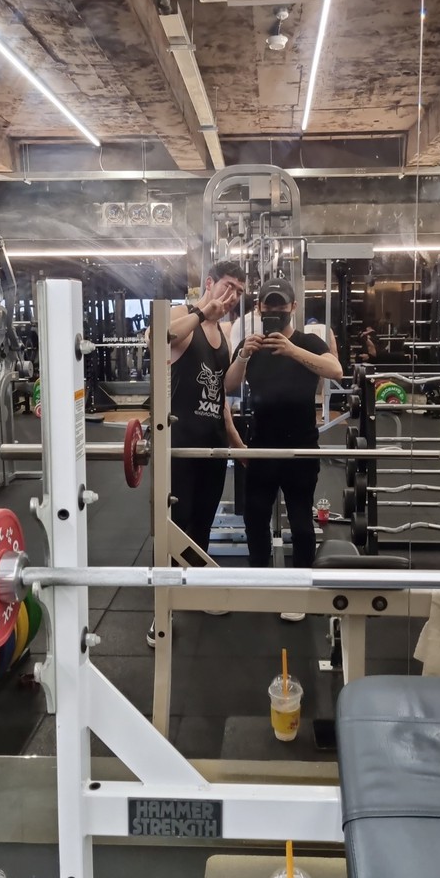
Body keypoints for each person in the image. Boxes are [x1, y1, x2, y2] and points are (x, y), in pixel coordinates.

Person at [225, 278, 343, 621]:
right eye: (268, 304)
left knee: (302, 522)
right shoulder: (251, 346)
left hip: (301, 447)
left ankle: (301, 592)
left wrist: (291, 350)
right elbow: (229, 385)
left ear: (293, 307)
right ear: (259, 308)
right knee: (255, 518)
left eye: (280, 304)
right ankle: (260, 582)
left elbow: (335, 370)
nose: (274, 310)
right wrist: (244, 355)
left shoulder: (308, 342)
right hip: (262, 446)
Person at [147, 260, 246, 647]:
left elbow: (221, 396)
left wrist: (235, 442)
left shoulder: (223, 333)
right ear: (209, 283)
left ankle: (197, 590)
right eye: (227, 286)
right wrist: (203, 312)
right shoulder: (182, 315)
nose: (232, 295)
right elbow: (157, 338)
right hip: (179, 444)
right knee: (174, 524)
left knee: (203, 521)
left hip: (212, 445)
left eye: (239, 291)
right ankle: (162, 611)